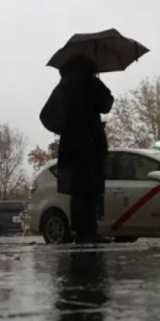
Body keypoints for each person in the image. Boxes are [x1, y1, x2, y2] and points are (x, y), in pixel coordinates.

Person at [41, 54, 114, 244]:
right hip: (89, 143)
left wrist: (65, 129)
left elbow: (45, 115)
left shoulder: (63, 86)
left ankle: (82, 232)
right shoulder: (90, 82)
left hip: (71, 147)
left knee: (78, 191)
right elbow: (106, 104)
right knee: (90, 189)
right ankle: (89, 231)